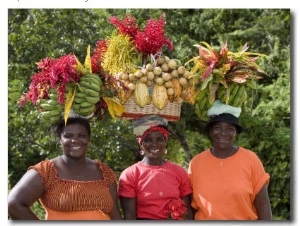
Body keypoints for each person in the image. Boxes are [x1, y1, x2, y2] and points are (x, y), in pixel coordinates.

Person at [8, 117, 122, 220]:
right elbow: (13, 204)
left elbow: (115, 215)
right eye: (68, 136)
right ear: (60, 139)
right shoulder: (46, 171)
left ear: (88, 139)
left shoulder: (104, 172)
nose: (75, 140)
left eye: (81, 135)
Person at [188, 100, 272, 220]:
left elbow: (263, 205)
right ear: (210, 131)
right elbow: (190, 207)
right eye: (217, 128)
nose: (223, 133)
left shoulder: (251, 159)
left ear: (235, 133)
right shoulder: (196, 163)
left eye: (230, 128)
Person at [118, 114, 193, 220]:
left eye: (159, 139)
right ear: (141, 144)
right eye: (148, 140)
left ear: (165, 142)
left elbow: (188, 213)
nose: (154, 144)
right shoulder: (130, 174)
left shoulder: (179, 172)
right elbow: (129, 216)